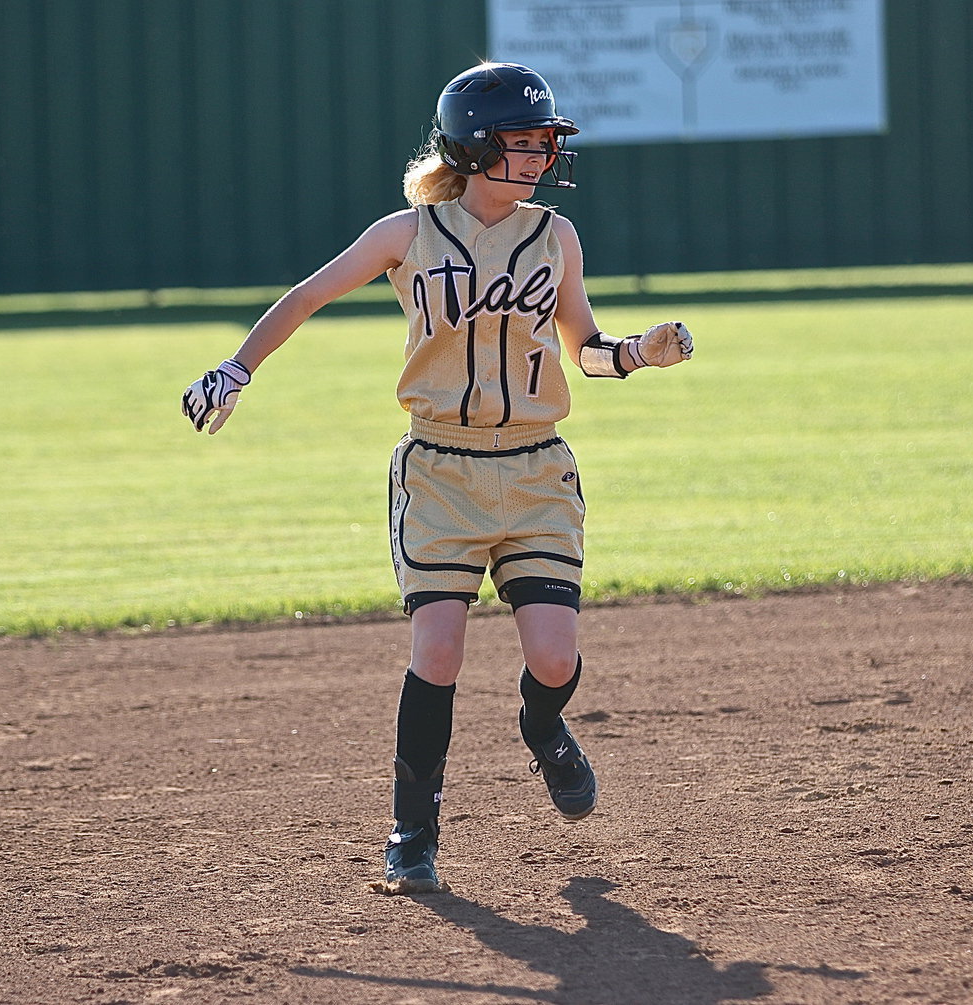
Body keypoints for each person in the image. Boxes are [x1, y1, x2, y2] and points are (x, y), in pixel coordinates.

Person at [181, 62, 693, 894]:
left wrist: (639, 353)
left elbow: (585, 351)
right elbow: (306, 296)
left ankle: (543, 729)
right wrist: (237, 368)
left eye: (543, 142)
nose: (535, 156)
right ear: (471, 146)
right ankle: (411, 830)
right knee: (440, 650)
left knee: (556, 659)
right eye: (517, 143)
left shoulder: (555, 237)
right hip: (440, 469)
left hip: (534, 467)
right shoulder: (408, 235)